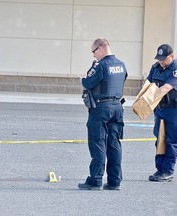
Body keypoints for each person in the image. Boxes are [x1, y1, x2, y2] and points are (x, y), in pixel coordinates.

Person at [78, 38, 128, 190]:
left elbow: (88, 83)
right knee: (114, 144)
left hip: (101, 108)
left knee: (98, 142)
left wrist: (83, 79)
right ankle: (114, 181)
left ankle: (96, 180)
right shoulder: (121, 65)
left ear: (100, 48)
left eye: (93, 52)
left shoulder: (102, 66)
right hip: (117, 107)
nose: (94, 56)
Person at [145, 44, 177, 182]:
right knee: (159, 139)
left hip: (173, 110)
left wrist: (149, 100)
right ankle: (160, 169)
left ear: (172, 56)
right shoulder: (155, 67)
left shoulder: (175, 70)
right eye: (159, 59)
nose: (161, 62)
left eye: (164, 59)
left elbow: (166, 88)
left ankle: (168, 171)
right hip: (159, 109)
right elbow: (147, 84)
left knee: (171, 141)